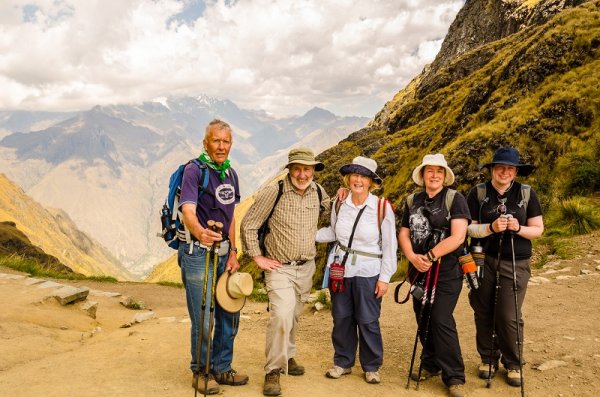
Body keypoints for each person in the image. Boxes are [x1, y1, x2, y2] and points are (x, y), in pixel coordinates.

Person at [240, 147, 330, 396]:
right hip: (279, 267)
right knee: (280, 315)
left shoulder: (319, 192)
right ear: (290, 169)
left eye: (307, 169)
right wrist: (257, 257)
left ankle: (288, 356)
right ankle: (273, 370)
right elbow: (249, 224)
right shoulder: (274, 191)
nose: (303, 174)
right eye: (298, 169)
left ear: (314, 170)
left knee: (294, 315)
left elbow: (331, 210)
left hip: (307, 267)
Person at [178, 119, 248, 395]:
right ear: (205, 142)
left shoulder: (230, 174)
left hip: (223, 255)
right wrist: (199, 233)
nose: (221, 146)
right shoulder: (194, 171)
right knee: (204, 318)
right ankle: (201, 371)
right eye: (216, 141)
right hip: (198, 254)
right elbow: (188, 210)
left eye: (226, 141)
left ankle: (222, 367)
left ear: (231, 144)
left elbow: (231, 216)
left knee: (229, 313)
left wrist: (233, 250)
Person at [466, 147, 544, 387]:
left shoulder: (527, 194)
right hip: (483, 260)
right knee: (483, 310)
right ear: (492, 169)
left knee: (508, 315)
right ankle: (488, 359)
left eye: (510, 168)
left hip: (516, 261)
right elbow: (467, 228)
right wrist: (491, 228)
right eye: (500, 167)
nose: (505, 172)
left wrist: (516, 228)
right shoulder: (477, 193)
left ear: (516, 171)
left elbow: (538, 229)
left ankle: (514, 362)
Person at [315, 156, 397, 384]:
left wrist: (385, 278)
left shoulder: (381, 208)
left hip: (369, 271)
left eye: (363, 176)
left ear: (371, 182)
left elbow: (390, 245)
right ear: (348, 178)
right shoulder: (340, 203)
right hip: (340, 268)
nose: (358, 180)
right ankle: (342, 362)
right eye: (354, 175)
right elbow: (333, 232)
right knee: (341, 318)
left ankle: (371, 366)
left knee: (368, 320)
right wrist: (306, 236)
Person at [398, 153, 470, 397]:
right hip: (417, 269)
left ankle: (455, 376)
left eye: (439, 171)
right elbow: (404, 233)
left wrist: (430, 256)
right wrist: (412, 257)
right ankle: (431, 363)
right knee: (423, 315)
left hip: (447, 270)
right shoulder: (412, 200)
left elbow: (458, 236)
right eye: (430, 171)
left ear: (445, 175)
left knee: (440, 317)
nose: (435, 175)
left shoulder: (454, 199)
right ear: (423, 174)